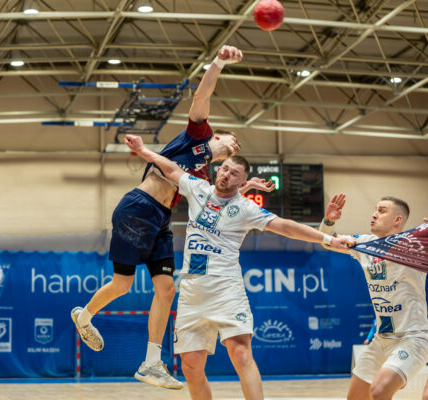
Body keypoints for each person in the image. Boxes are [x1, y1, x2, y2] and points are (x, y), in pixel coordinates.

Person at [71, 44, 249, 389]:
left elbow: (222, 202)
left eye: (237, 147)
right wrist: (218, 63)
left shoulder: (204, 177)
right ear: (218, 135)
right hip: (138, 208)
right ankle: (85, 315)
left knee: (166, 290)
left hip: (162, 221)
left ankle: (151, 363)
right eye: (232, 140)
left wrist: (248, 186)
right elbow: (202, 95)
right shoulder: (197, 136)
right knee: (122, 285)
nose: (235, 145)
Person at [124, 134, 353, 400]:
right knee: (191, 366)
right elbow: (171, 168)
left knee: (241, 353)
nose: (226, 174)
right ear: (218, 169)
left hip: (226, 290)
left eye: (234, 174)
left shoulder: (246, 209)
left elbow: (286, 227)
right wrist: (143, 150)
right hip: (192, 292)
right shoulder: (198, 188)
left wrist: (327, 239)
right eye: (225, 169)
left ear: (242, 182)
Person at [319, 194, 428, 400]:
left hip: (412, 337)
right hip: (381, 338)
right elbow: (328, 242)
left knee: (379, 391)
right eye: (375, 209)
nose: (374, 214)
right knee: (356, 397)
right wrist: (329, 221)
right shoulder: (365, 243)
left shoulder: (415, 245)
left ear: (397, 220)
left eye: (382, 211)